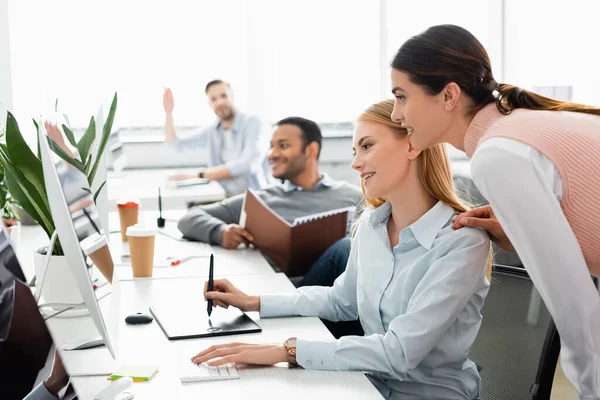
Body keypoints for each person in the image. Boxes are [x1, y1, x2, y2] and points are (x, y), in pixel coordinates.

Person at [194, 99, 492, 400]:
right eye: (355, 151)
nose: (355, 163)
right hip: (366, 386)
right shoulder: (372, 227)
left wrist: (286, 351)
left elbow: (400, 352)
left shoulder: (461, 241)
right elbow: (341, 300)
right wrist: (253, 302)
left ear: (413, 145)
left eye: (367, 146)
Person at [389, 24, 600, 399]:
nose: (395, 114)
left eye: (402, 96)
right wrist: (520, 232)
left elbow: (577, 308)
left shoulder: (498, 154)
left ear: (449, 94)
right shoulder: (518, 128)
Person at [177, 116, 362, 251]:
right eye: (271, 146)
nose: (272, 154)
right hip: (277, 289)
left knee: (344, 248)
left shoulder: (353, 197)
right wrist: (221, 232)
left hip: (335, 290)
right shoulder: (263, 200)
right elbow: (189, 218)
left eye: (283, 146)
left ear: (311, 150)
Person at [164, 80, 270, 196]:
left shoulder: (254, 123)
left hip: (254, 196)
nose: (219, 102)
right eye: (214, 99)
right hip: (225, 196)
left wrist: (199, 175)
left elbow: (246, 165)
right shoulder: (213, 131)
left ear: (233, 96)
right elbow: (175, 144)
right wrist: (169, 113)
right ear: (210, 104)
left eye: (224, 96)